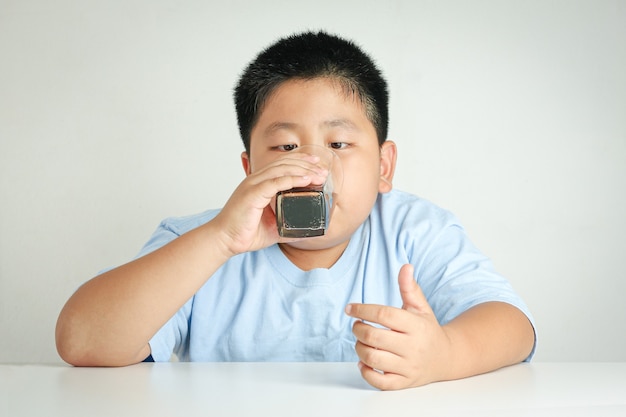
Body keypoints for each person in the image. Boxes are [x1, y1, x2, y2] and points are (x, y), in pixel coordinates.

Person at [56, 31, 536, 390]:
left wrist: (444, 355)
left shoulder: (415, 230)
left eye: (339, 143)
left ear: (384, 166)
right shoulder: (200, 240)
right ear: (249, 169)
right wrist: (220, 239)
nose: (311, 168)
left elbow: (514, 326)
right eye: (285, 146)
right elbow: (81, 341)